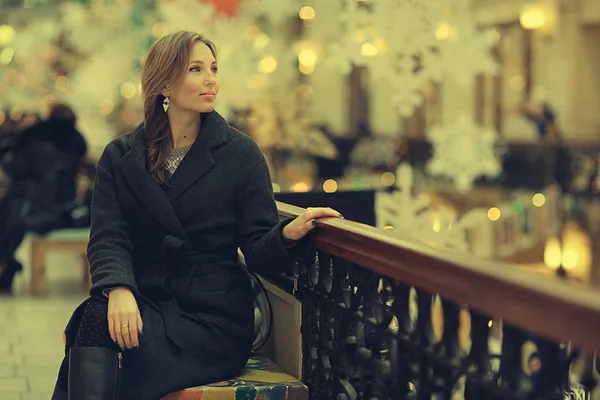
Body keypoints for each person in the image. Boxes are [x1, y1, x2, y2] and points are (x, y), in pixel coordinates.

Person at [51, 31, 341, 400]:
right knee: (95, 316)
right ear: (164, 83)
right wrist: (119, 287)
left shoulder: (240, 153)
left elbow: (257, 246)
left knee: (103, 338)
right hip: (146, 298)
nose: (211, 80)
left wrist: (288, 233)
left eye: (214, 69)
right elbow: (109, 235)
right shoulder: (120, 156)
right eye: (196, 69)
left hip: (212, 316)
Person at [0, 103, 87, 293]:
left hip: (24, 205)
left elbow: (12, 166)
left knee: (10, 210)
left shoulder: (31, 135)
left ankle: (6, 262)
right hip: (59, 209)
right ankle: (7, 262)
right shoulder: (78, 140)